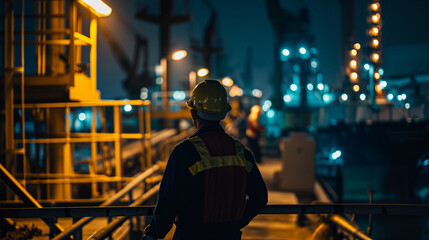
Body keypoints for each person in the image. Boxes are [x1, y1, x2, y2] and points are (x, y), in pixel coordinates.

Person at [142, 80, 268, 240]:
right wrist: (236, 223)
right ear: (224, 114)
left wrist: (153, 234)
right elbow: (260, 197)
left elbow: (168, 202)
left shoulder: (184, 152)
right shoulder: (241, 152)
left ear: (193, 113)